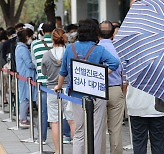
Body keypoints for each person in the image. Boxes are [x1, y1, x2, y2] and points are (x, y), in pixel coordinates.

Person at [54, 19, 119, 154]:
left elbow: (63, 72)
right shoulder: (98, 49)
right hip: (96, 94)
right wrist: (99, 74)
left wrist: (58, 86)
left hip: (77, 95)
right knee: (96, 130)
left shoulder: (70, 48)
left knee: (79, 131)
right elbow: (114, 63)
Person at [41, 28, 74, 153]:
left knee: (54, 122)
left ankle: (58, 150)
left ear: (52, 39)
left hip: (52, 90)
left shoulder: (47, 55)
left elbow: (44, 72)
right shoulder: (69, 53)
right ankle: (77, 149)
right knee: (72, 120)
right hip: (68, 90)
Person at [99, 21, 125, 154]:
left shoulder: (95, 49)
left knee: (99, 129)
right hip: (115, 89)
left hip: (98, 91)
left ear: (98, 34)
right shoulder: (119, 48)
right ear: (112, 33)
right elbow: (124, 72)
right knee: (116, 129)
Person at [126, 84, 164, 154]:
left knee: (139, 142)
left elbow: (126, 81)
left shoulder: (132, 72)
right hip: (158, 107)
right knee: (158, 142)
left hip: (136, 106)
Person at [31, 22, 55, 144]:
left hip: (43, 82)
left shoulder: (35, 44)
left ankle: (42, 138)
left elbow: (34, 62)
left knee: (43, 111)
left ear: (42, 32)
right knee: (61, 110)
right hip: (58, 82)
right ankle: (66, 135)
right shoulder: (61, 44)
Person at [15, 29, 37, 127]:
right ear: (27, 37)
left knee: (24, 97)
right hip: (26, 76)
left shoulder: (19, 47)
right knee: (25, 98)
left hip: (23, 75)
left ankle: (22, 118)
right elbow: (29, 63)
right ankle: (23, 119)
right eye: (31, 37)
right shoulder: (22, 49)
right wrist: (36, 65)